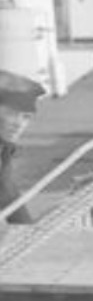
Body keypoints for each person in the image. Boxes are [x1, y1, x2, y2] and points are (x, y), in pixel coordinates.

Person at [0, 67, 46, 225]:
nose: (19, 124)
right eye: (11, 113)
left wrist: (29, 233)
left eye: (26, 117)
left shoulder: (4, 149)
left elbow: (7, 191)